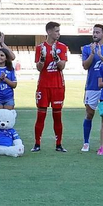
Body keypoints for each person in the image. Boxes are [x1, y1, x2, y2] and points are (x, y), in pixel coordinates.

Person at [78, 24, 103, 153]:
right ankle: (86, 142)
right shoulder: (87, 48)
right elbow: (85, 66)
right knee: (89, 114)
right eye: (93, 32)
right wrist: (93, 54)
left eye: (98, 32)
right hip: (91, 86)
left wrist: (99, 54)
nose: (95, 34)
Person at [33, 21, 68, 151]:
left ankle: (58, 144)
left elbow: (62, 66)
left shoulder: (63, 47)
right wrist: (42, 59)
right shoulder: (40, 47)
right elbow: (39, 68)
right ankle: (37, 144)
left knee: (57, 115)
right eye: (56, 31)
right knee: (41, 115)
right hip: (43, 85)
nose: (59, 33)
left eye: (59, 31)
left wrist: (56, 57)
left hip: (58, 86)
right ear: (49, 32)